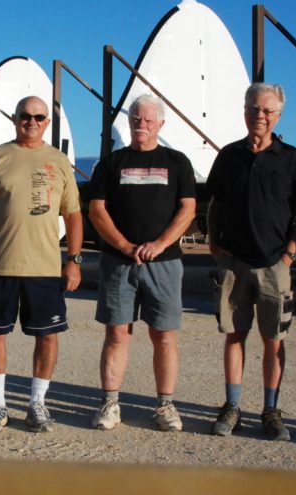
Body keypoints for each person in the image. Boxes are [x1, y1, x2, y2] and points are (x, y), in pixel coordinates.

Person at [0, 96, 83, 432]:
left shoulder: (58, 162)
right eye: (25, 116)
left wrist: (73, 260)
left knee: (47, 336)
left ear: (47, 122)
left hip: (44, 268)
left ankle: (37, 403)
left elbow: (73, 214)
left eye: (38, 117)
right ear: (15, 118)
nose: (31, 121)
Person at [205, 83, 296, 441]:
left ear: (279, 116)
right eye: (254, 109)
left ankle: (271, 410)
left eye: (267, 111)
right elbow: (215, 204)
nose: (260, 116)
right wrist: (214, 245)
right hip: (234, 262)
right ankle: (232, 405)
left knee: (274, 340)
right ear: (245, 112)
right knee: (234, 336)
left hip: (274, 264)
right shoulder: (229, 156)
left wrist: (289, 253)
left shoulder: (293, 160)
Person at [88, 94, 197, 432]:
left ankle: (165, 405)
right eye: (136, 118)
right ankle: (110, 402)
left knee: (163, 335)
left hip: (163, 263)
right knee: (117, 333)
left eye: (149, 120)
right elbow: (97, 210)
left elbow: (188, 209)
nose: (142, 125)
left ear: (160, 125)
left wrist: (160, 244)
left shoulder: (177, 162)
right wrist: (123, 245)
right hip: (118, 263)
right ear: (130, 121)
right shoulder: (111, 163)